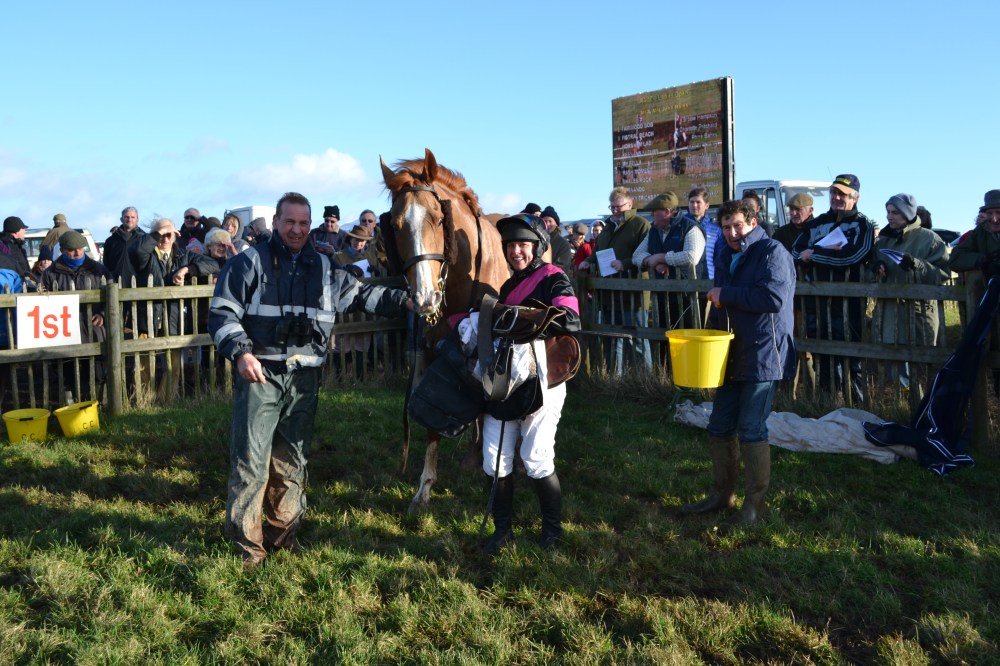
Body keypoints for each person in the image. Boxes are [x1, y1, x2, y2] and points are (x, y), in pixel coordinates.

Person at [208, 191, 415, 567]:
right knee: (251, 461)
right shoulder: (248, 264)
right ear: (275, 222)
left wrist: (406, 301)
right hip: (261, 375)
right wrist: (241, 353)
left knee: (293, 460)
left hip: (304, 378)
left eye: (303, 223)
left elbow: (362, 296)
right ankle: (246, 546)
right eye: (290, 222)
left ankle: (282, 534)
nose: (297, 229)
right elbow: (222, 313)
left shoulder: (323, 267)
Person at [679, 199, 795, 526]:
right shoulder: (726, 253)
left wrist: (724, 295)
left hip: (764, 352)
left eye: (737, 226)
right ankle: (721, 495)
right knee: (719, 424)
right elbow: (721, 300)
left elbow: (772, 298)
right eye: (726, 227)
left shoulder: (773, 253)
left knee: (751, 427)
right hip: (731, 352)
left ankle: (754, 506)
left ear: (753, 222)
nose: (731, 233)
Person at [481, 213, 580, 554]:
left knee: (536, 458)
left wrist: (522, 318)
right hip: (505, 378)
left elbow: (570, 318)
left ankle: (552, 534)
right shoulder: (507, 287)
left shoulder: (555, 277)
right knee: (494, 457)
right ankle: (502, 531)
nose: (516, 252)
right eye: (510, 246)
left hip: (543, 380)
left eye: (522, 245)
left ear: (536, 247)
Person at [791, 174, 876, 404]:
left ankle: (857, 405)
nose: (837, 198)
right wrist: (814, 255)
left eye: (843, 194)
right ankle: (827, 403)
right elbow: (796, 252)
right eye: (834, 193)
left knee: (851, 356)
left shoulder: (863, 225)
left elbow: (855, 257)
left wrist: (816, 255)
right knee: (822, 355)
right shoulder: (817, 223)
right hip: (816, 302)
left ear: (855, 197)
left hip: (849, 302)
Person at [870, 194, 950, 390]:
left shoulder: (929, 239)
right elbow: (869, 271)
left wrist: (916, 264)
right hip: (889, 311)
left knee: (922, 363)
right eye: (888, 212)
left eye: (895, 212)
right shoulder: (883, 242)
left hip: (918, 311)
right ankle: (903, 400)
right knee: (894, 362)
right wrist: (877, 268)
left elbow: (943, 273)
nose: (889, 217)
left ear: (907, 213)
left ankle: (923, 404)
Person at [576, 186, 652, 375]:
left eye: (619, 207)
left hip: (633, 294)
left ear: (630, 204)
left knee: (637, 339)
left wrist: (625, 264)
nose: (616, 211)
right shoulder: (608, 227)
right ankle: (615, 380)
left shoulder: (641, 225)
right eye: (613, 208)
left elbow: (646, 255)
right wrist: (588, 260)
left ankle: (644, 379)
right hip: (610, 294)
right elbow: (598, 251)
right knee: (612, 338)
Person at [40, 230, 114, 403]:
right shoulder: (51, 273)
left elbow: (112, 296)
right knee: (68, 373)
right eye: (72, 250)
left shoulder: (98, 270)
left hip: (93, 330)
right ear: (63, 250)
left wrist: (102, 314)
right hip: (64, 332)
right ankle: (71, 408)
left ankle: (98, 405)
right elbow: (43, 303)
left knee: (96, 371)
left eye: (80, 248)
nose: (77, 252)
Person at [632, 192, 705, 330]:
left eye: (654, 211)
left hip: (687, 296)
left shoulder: (691, 228)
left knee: (686, 338)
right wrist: (650, 261)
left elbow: (692, 257)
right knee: (662, 338)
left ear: (667, 212)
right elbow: (636, 255)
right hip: (662, 295)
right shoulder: (654, 230)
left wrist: (662, 257)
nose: (652, 215)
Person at [681, 187, 719, 279]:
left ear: (707, 205)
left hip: (709, 280)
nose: (694, 205)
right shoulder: (680, 225)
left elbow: (720, 256)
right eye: (691, 202)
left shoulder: (715, 228)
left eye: (698, 202)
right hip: (685, 281)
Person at [103, 206, 146, 285]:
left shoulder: (144, 239)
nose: (129, 220)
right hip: (116, 283)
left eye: (132, 217)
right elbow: (106, 264)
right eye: (126, 217)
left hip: (138, 283)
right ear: (121, 219)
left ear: (137, 219)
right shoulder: (111, 241)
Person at [541, 206, 572, 273]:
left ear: (556, 224)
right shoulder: (537, 241)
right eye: (545, 221)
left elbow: (562, 266)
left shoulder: (563, 243)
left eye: (550, 221)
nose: (547, 224)